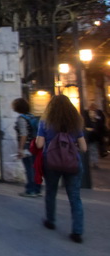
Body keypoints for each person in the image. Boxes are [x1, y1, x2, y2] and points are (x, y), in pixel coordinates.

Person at [35, 94, 87, 243]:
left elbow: (39, 144)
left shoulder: (45, 122)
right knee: (75, 196)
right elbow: (83, 148)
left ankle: (50, 220)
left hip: (51, 162)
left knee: (51, 192)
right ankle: (77, 231)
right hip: (72, 163)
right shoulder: (75, 122)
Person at [12, 98, 42, 197]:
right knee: (35, 167)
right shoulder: (31, 116)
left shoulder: (21, 118)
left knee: (29, 168)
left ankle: (31, 190)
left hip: (27, 146)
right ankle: (37, 189)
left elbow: (23, 134)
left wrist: (20, 148)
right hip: (35, 145)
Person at [83, 103, 107, 168]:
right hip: (90, 134)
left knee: (94, 148)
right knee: (92, 148)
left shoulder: (99, 113)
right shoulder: (86, 113)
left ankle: (94, 162)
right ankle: (93, 162)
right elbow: (85, 122)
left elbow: (102, 122)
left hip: (97, 134)